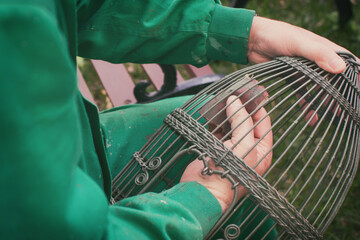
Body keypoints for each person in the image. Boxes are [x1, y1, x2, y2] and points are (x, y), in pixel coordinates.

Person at [0, 1, 357, 240]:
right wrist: (203, 198)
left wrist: (247, 34)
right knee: (226, 174)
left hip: (73, 157)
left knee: (210, 124)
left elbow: (89, 5)